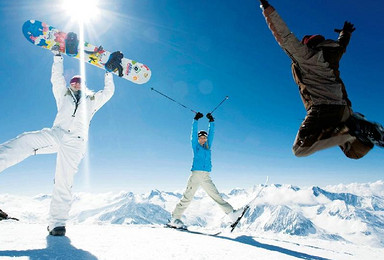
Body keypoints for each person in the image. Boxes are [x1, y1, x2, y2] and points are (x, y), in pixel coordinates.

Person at [0, 43, 122, 235]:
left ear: (84, 84)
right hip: (57, 134)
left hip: (76, 142)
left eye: (79, 81)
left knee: (63, 180)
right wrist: (58, 56)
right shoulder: (63, 95)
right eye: (72, 81)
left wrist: (109, 73)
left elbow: (108, 93)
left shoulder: (92, 101)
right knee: (25, 140)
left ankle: (57, 224)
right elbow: (56, 79)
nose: (75, 83)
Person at [258, 0, 384, 159]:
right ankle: (358, 128)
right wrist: (346, 33)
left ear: (308, 46)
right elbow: (342, 44)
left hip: (323, 108)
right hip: (344, 108)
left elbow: (284, 35)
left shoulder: (307, 56)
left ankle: (353, 128)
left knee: (300, 148)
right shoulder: (334, 53)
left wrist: (266, 7)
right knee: (353, 151)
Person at [168, 112, 243, 229]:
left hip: (206, 176)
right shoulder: (196, 146)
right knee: (187, 197)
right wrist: (196, 120)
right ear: (198, 139)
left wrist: (211, 121)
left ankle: (232, 214)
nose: (203, 139)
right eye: (201, 138)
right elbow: (193, 134)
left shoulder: (208, 147)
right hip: (196, 175)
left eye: (204, 138)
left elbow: (212, 134)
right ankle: (174, 219)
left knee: (216, 195)